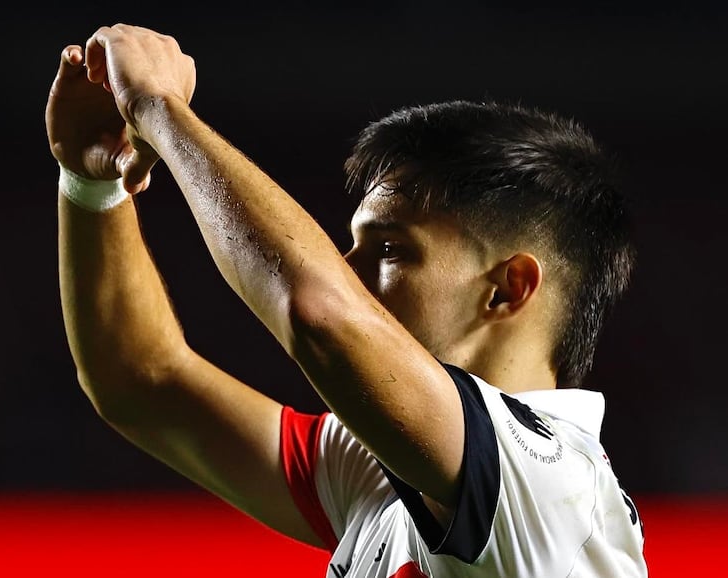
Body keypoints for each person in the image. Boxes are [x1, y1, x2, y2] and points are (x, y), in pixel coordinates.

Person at [45, 23, 648, 577]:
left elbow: (317, 310)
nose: (348, 271)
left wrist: (158, 107)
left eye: (390, 248)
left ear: (507, 288)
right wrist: (94, 182)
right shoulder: (379, 471)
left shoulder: (550, 485)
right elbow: (143, 381)